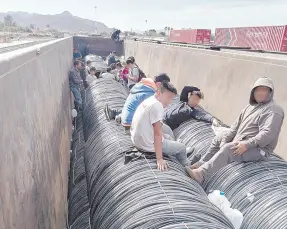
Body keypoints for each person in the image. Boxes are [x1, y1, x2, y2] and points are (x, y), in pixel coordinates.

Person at [186, 77, 284, 184]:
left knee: (229, 149)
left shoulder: (274, 110)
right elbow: (234, 127)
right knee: (220, 137)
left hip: (259, 149)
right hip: (241, 140)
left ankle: (201, 174)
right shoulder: (250, 107)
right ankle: (202, 163)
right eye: (257, 89)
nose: (260, 92)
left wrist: (246, 145)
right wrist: (224, 140)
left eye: (264, 90)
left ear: (270, 92)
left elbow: (267, 135)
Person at [131, 81, 192, 170]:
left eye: (172, 98)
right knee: (182, 148)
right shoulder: (157, 105)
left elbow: (157, 127)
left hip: (137, 140)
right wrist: (159, 159)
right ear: (159, 93)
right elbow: (157, 134)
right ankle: (187, 164)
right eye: (168, 97)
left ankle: (174, 147)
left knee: (166, 129)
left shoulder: (150, 100)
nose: (170, 101)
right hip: (147, 145)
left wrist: (165, 136)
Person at [104, 73, 171, 129]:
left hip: (128, 118)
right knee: (165, 130)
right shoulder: (150, 93)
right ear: (159, 84)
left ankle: (118, 115)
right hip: (131, 124)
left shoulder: (143, 86)